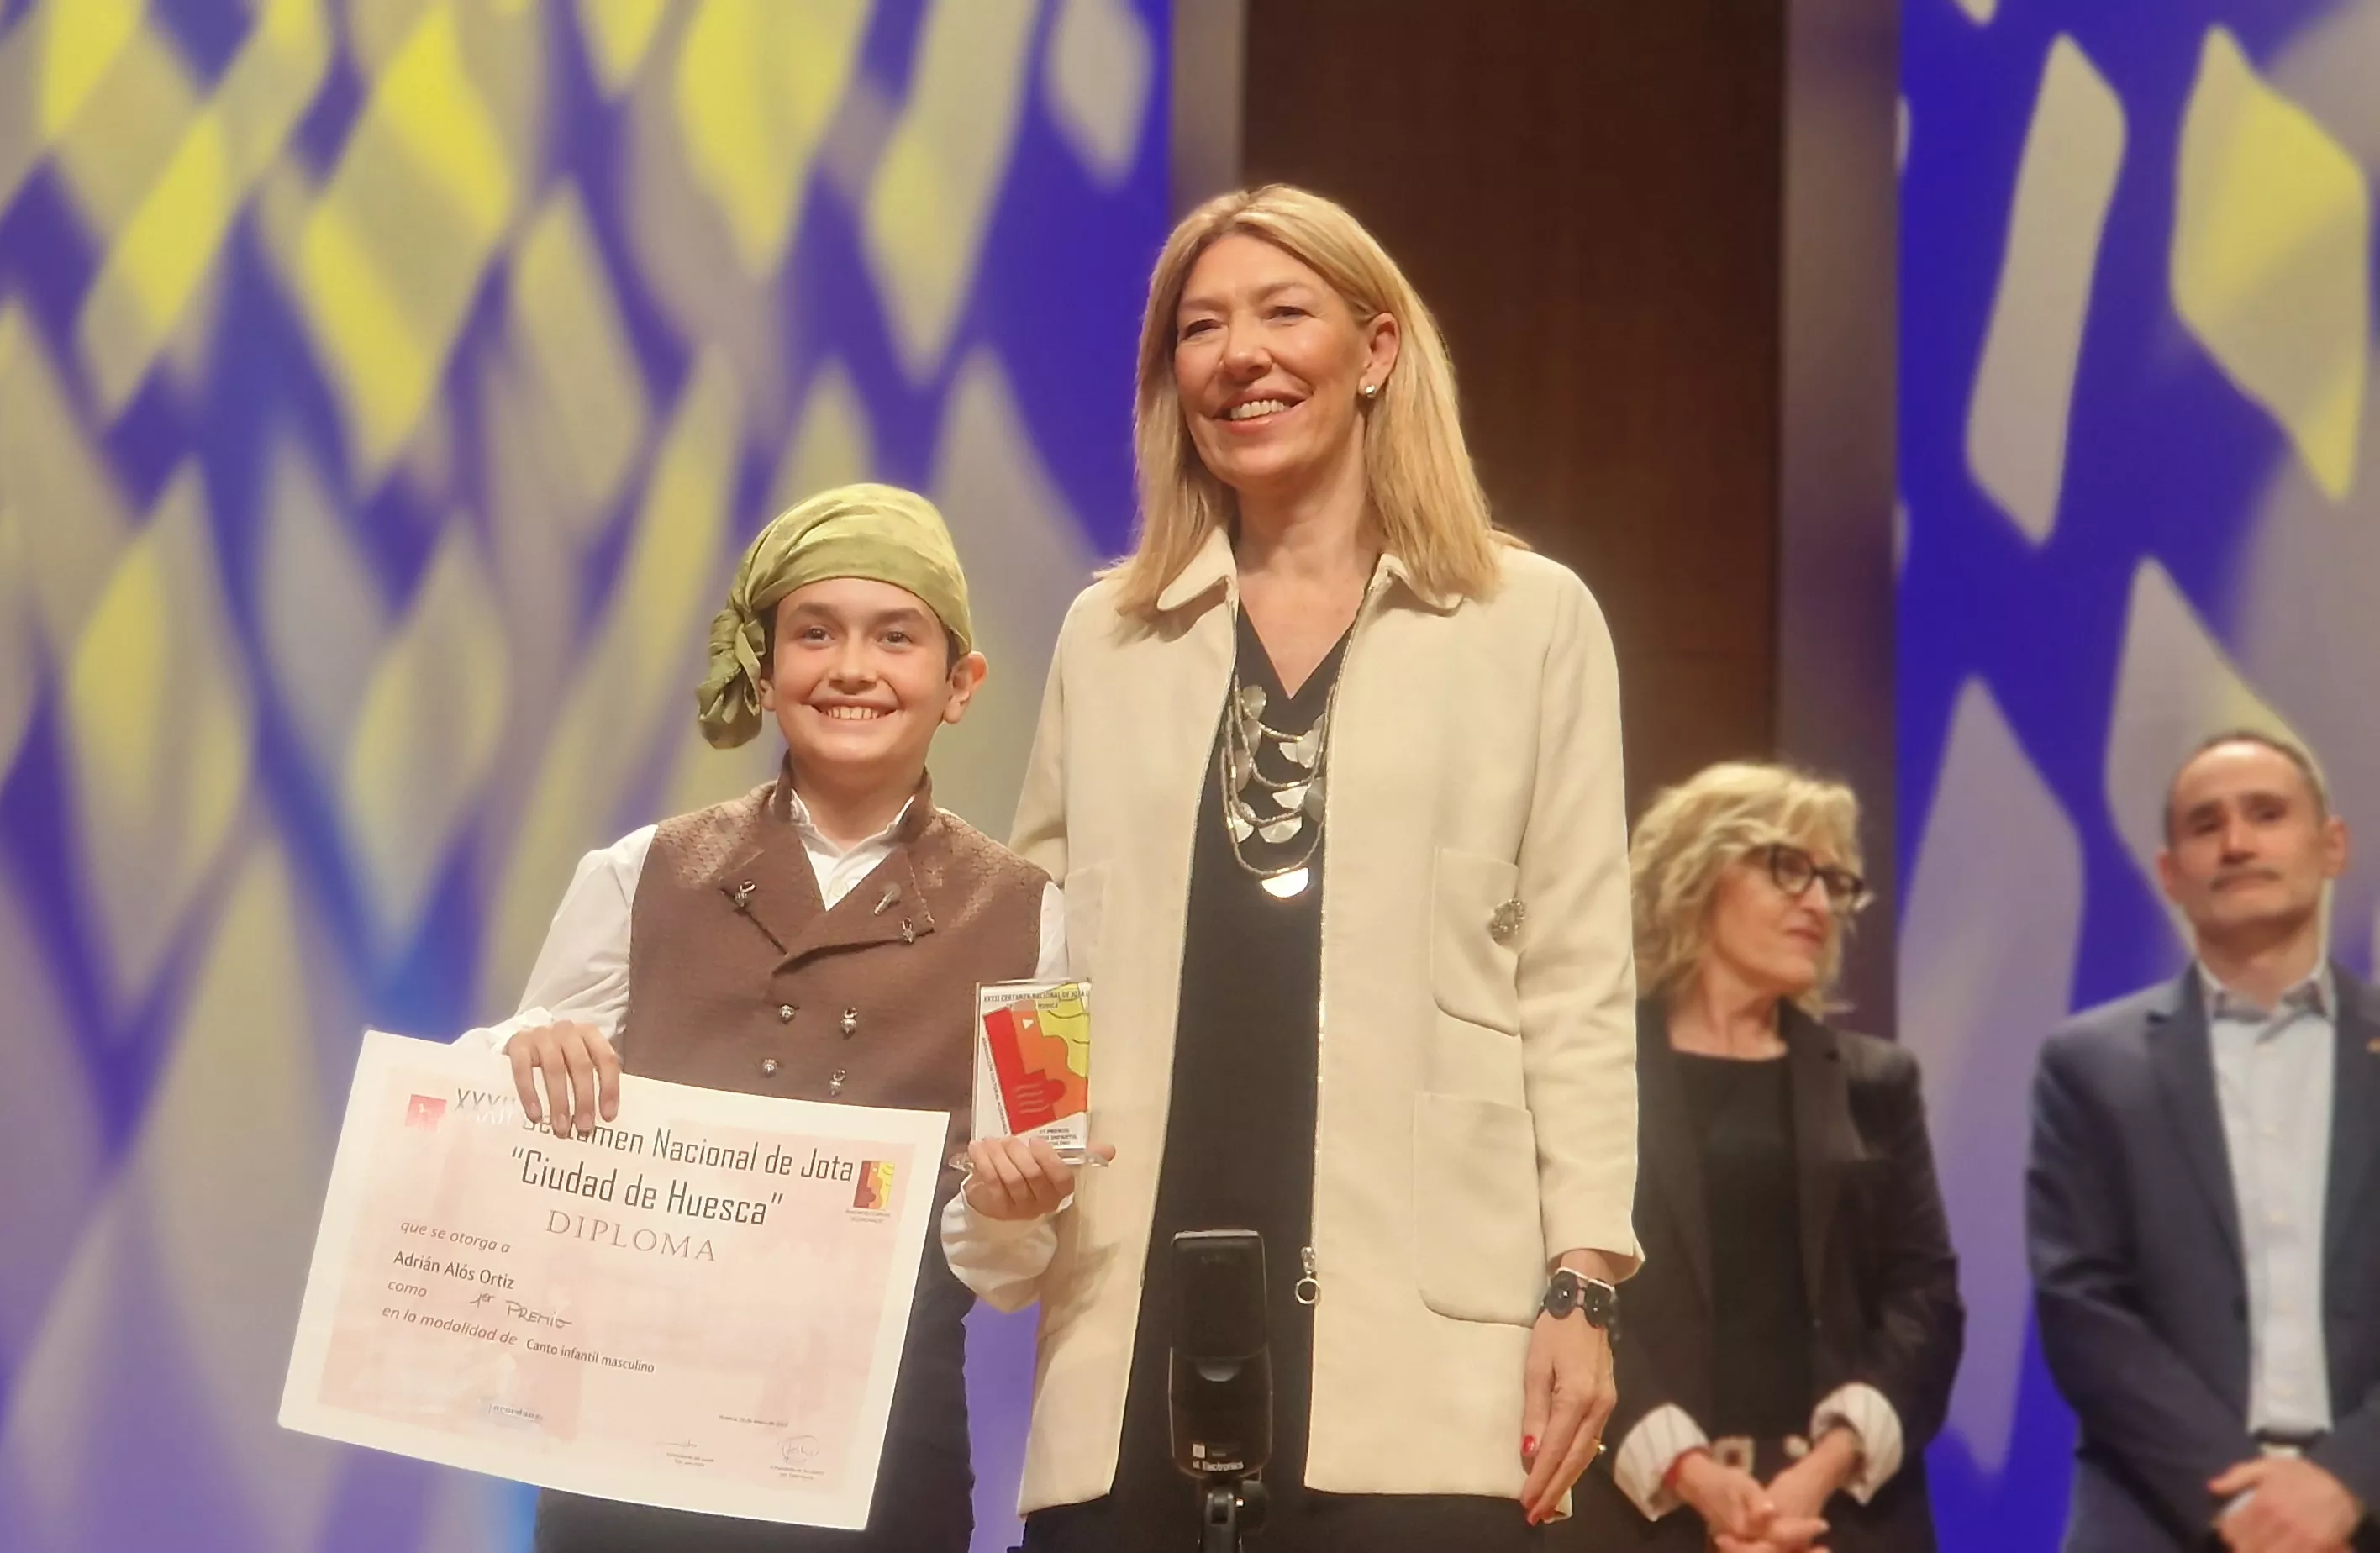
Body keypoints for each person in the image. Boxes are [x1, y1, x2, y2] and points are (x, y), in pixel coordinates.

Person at [946, 183, 1643, 1550]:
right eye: (1199, 327)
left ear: (1377, 350)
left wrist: (1586, 1282)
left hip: (1427, 1334)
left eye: (1282, 312)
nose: (1237, 354)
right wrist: (1019, 1166)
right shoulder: (1112, 633)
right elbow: (1051, 956)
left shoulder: (1530, 620)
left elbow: (1576, 977)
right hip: (1137, 1303)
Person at [469, 482, 1071, 1552]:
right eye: (814, 633)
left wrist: (1018, 1204)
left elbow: (1018, 1264)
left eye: (896, 637)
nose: (852, 669)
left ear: (960, 682)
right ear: (765, 666)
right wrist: (527, 1051)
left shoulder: (1040, 923)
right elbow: (506, 1104)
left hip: (881, 1455)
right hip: (630, 1439)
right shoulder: (635, 873)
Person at [1554, 763, 1960, 1553]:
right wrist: (1697, 1479)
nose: (1818, 902)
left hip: (1834, 1513)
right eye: (1789, 868)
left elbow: (1926, 1299)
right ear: (1696, 873)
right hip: (1642, 1512)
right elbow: (1567, 1285)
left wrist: (1810, 1480)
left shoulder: (1877, 1081)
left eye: (1833, 882)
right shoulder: (1597, 1071)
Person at [2029, 732, 2380, 1553]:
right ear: (2169, 873)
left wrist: (2346, 1480)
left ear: (2331, 847)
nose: (2237, 842)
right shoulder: (2088, 1064)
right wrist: (2240, 1502)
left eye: (2266, 814)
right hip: (2160, 1513)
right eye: (2205, 824)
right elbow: (2081, 1305)